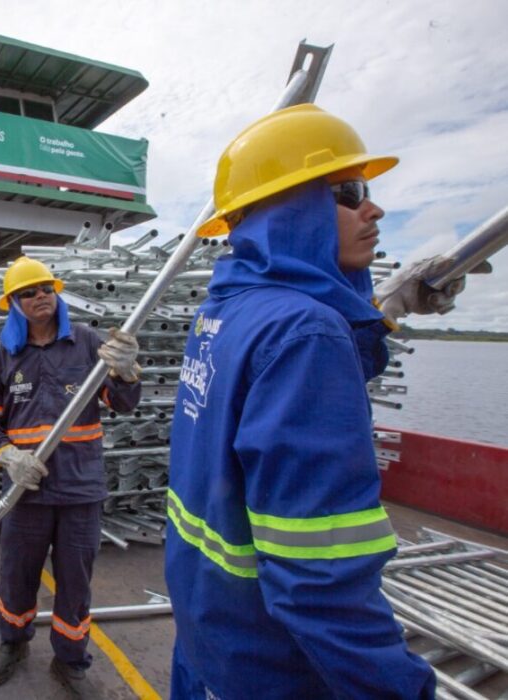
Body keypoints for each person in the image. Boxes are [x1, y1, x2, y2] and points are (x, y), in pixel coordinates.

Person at [163, 104, 491, 699]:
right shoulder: (304, 334)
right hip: (273, 669)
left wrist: (382, 308)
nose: (376, 208)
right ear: (291, 211)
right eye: (348, 191)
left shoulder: (223, 312)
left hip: (209, 639)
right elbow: (318, 581)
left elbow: (289, 385)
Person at [0, 256, 142, 696]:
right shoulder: (2, 355)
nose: (40, 296)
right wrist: (8, 456)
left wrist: (125, 371)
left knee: (75, 581)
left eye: (46, 288)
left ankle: (70, 660)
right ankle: (13, 643)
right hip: (26, 493)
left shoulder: (86, 343)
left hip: (80, 487)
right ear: (13, 303)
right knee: (17, 575)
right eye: (28, 292)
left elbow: (122, 404)